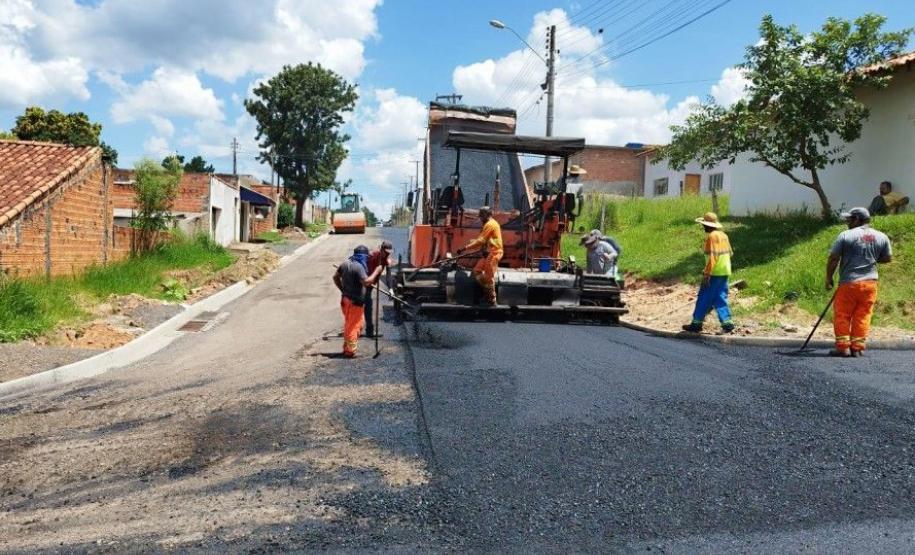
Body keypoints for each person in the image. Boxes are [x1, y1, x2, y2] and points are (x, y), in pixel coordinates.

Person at [826, 207, 892, 357]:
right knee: (863, 315)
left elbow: (834, 258)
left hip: (849, 283)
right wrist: (871, 259)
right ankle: (858, 347)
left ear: (857, 219)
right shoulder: (881, 236)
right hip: (870, 284)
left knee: (842, 314)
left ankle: (843, 347)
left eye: (849, 219)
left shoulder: (846, 235)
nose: (847, 222)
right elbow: (887, 258)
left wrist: (828, 278)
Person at [682, 212, 735, 334]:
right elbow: (730, 253)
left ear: (708, 225)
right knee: (720, 297)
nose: (703, 227)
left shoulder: (712, 237)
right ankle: (727, 323)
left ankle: (696, 323)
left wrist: (707, 273)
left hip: (714, 273)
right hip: (725, 271)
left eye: (703, 224)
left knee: (704, 297)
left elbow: (713, 256)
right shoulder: (724, 236)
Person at [333, 245, 384, 357]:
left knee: (349, 324)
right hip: (355, 302)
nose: (366, 259)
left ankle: (347, 347)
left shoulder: (345, 264)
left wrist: (342, 290)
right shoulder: (358, 267)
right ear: (362, 256)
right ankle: (350, 351)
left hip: (345, 300)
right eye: (366, 257)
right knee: (354, 326)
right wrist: (377, 271)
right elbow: (366, 282)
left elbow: (335, 277)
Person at [457, 206, 503, 305]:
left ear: (487, 215)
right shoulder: (488, 224)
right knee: (477, 271)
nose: (480, 218)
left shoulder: (490, 224)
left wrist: (465, 248)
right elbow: (484, 241)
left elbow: (480, 240)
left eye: (481, 215)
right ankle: (487, 294)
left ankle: (492, 301)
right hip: (488, 253)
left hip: (494, 253)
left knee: (489, 277)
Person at [364, 240, 393, 338]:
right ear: (381, 249)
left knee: (367, 306)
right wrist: (368, 281)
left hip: (370, 283)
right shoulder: (372, 255)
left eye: (389, 253)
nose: (387, 255)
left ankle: (368, 331)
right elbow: (364, 269)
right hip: (364, 282)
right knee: (367, 306)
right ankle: (368, 332)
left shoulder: (387, 260)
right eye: (386, 252)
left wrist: (391, 289)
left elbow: (388, 276)